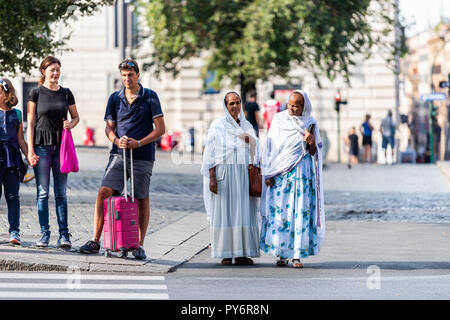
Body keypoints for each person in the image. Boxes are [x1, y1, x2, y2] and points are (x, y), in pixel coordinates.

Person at [79, 58, 165, 260]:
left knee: (141, 198)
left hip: (143, 155)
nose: (127, 79)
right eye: (124, 75)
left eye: (130, 75)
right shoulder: (115, 98)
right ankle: (95, 240)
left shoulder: (151, 97)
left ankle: (139, 245)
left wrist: (139, 142)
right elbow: (109, 127)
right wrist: (116, 140)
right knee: (104, 191)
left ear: (137, 75)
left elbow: (161, 129)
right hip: (119, 154)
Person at [260, 90, 325, 268]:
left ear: (304, 107)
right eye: (289, 104)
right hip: (281, 175)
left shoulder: (311, 122)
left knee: (300, 213)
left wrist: (311, 141)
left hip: (302, 175)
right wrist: (268, 173)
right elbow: (270, 147)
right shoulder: (279, 120)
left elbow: (315, 152)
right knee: (281, 213)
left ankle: (297, 254)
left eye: (295, 106)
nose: (291, 109)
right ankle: (281, 253)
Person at [201, 91, 260, 265]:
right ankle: (226, 252)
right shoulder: (217, 126)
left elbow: (255, 148)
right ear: (225, 106)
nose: (235, 106)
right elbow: (210, 153)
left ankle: (242, 253)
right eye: (231, 104)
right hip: (224, 174)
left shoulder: (247, 125)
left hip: (243, 174)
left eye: (237, 103)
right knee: (225, 212)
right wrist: (212, 177)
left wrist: (249, 140)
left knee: (243, 212)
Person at [26, 56, 80, 248]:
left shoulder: (66, 93)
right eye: (52, 70)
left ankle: (64, 235)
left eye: (58, 69)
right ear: (44, 72)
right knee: (42, 193)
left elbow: (76, 117)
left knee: (61, 193)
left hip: (61, 148)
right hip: (41, 148)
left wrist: (71, 124)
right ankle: (44, 234)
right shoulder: (35, 93)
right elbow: (30, 123)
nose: (56, 73)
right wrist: (30, 150)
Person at [0, 79, 33, 245]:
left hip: (12, 159)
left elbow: (21, 139)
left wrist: (29, 156)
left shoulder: (17, 114)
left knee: (13, 196)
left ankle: (14, 232)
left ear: (7, 94)